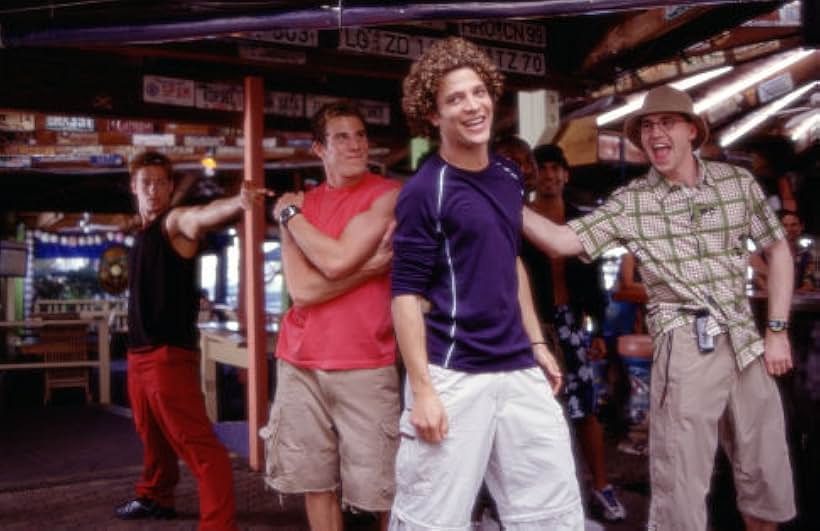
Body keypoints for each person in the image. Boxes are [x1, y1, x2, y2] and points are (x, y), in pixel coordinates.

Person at [523, 85, 796, 531]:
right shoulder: (633, 202)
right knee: (680, 490)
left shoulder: (736, 183)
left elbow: (778, 252)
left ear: (692, 130)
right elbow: (560, 241)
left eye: (666, 122)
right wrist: (501, 200)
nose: (655, 133)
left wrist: (778, 329)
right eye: (647, 127)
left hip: (746, 340)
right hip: (687, 342)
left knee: (764, 477)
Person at [390, 36, 584, 530]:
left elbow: (510, 261)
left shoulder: (506, 175)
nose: (472, 106)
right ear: (431, 116)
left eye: (479, 92)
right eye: (455, 98)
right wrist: (423, 390)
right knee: (431, 520)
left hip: (518, 370)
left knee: (553, 515)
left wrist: (536, 339)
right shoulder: (423, 191)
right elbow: (405, 295)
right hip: (454, 376)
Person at [261, 100, 400, 531]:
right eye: (342, 136)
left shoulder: (387, 194)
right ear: (319, 148)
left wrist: (287, 215)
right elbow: (301, 292)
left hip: (366, 360)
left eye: (360, 135)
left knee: (381, 489)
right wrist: (369, 270)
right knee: (313, 482)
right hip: (299, 361)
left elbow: (337, 262)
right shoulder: (303, 205)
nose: (356, 144)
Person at [116, 151, 262, 530]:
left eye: (161, 182)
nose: (153, 189)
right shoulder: (143, 233)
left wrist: (237, 202)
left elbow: (201, 215)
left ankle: (218, 523)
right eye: (145, 182)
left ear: (169, 187)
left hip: (168, 356)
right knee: (153, 437)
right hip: (138, 355)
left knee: (197, 445)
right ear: (133, 187)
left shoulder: (174, 223)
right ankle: (155, 497)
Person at [512, 140, 626, 522]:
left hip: (573, 323)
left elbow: (595, 279)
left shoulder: (579, 219)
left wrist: (596, 329)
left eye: (555, 168)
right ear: (532, 176)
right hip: (532, 325)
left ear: (566, 174)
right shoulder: (518, 219)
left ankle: (601, 487)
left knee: (586, 410)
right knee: (532, 412)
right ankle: (535, 500)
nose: (549, 175)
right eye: (541, 169)